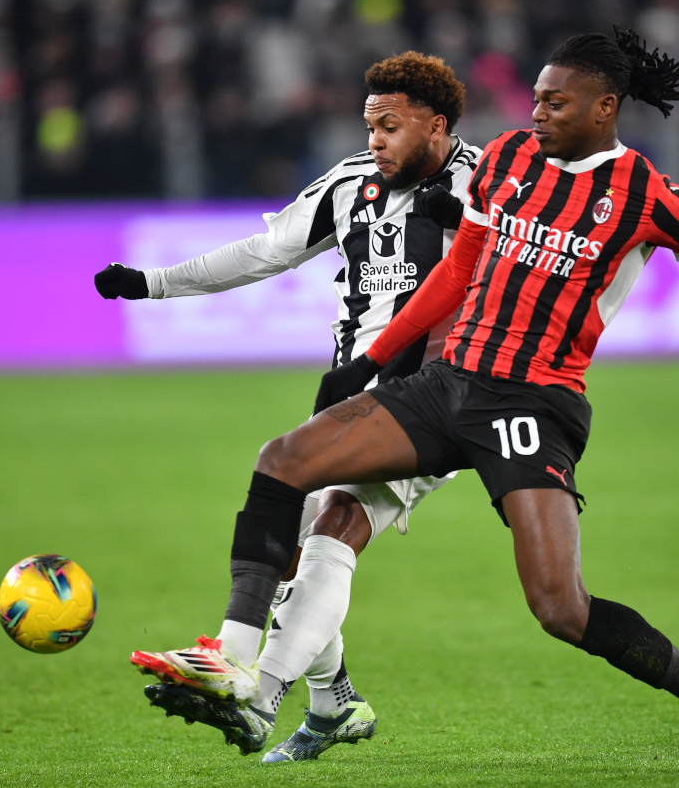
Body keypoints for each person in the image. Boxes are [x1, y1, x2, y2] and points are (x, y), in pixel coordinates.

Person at [132, 28, 679, 778]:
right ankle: (235, 662)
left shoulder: (646, 194)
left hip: (533, 406)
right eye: (535, 99)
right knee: (284, 461)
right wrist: (371, 359)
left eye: (554, 104)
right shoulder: (505, 161)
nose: (534, 114)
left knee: (559, 608)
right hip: (444, 386)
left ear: (604, 108)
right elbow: (455, 273)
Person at [98, 51, 481, 762]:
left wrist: (461, 217)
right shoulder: (350, 186)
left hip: (440, 392)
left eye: (389, 127)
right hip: (355, 388)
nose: (374, 140)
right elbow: (262, 253)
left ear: (436, 124)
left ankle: (252, 683)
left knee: (333, 522)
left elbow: (529, 268)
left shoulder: (488, 185)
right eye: (369, 125)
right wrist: (152, 282)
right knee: (296, 539)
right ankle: (332, 700)